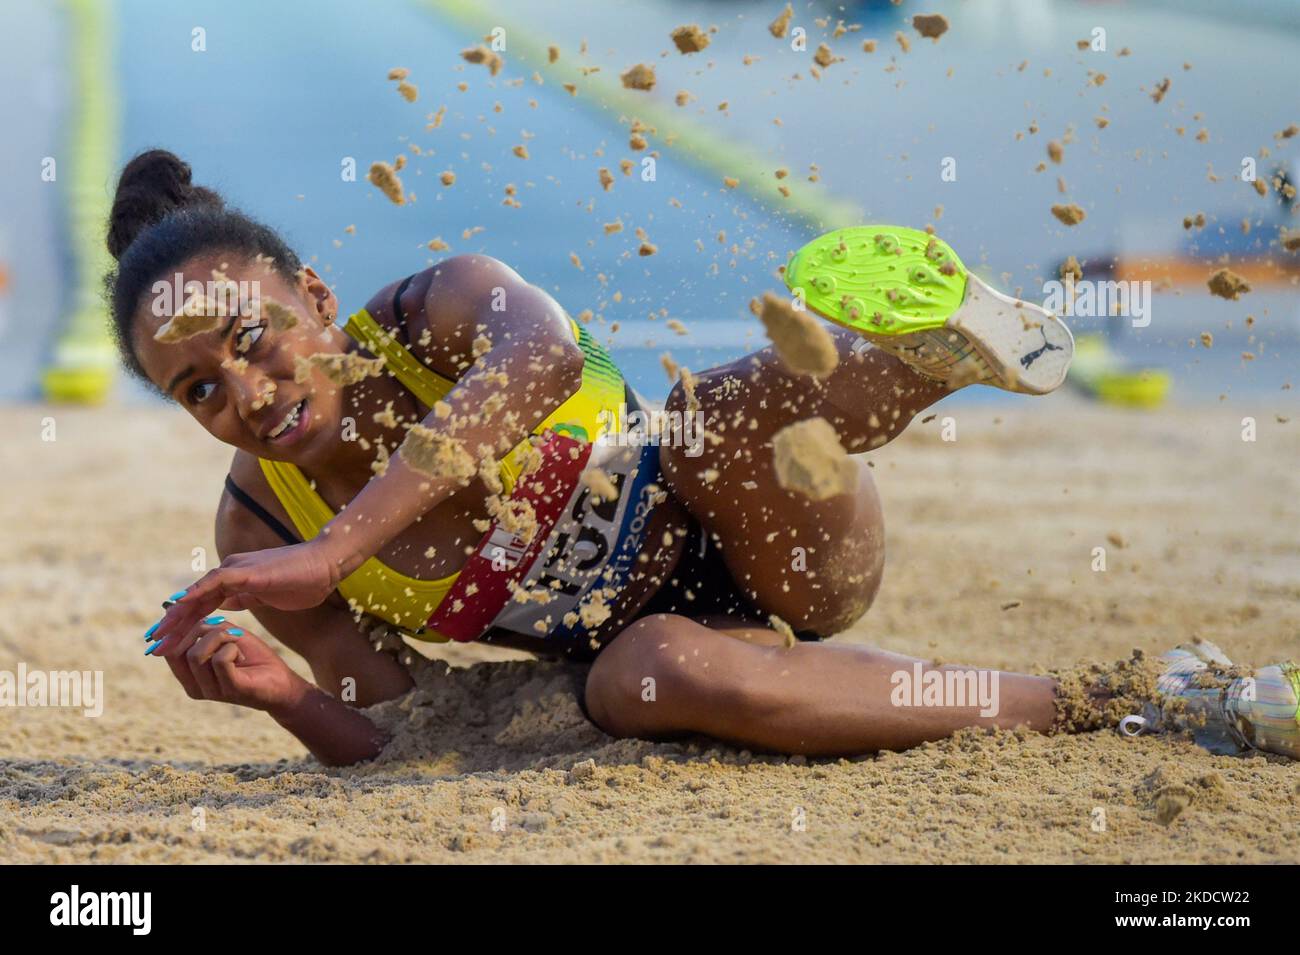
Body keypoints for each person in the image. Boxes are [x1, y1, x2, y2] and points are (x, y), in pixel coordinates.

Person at [111, 150, 1298, 766]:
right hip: (652, 647)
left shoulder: (443, 308)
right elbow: (411, 733)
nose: (249, 395)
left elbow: (538, 359)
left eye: (255, 342)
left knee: (701, 418)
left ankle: (930, 351)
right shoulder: (257, 535)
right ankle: (1135, 704)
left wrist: (340, 545)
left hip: (782, 540)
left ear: (315, 296)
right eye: (200, 388)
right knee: (642, 684)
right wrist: (285, 699)